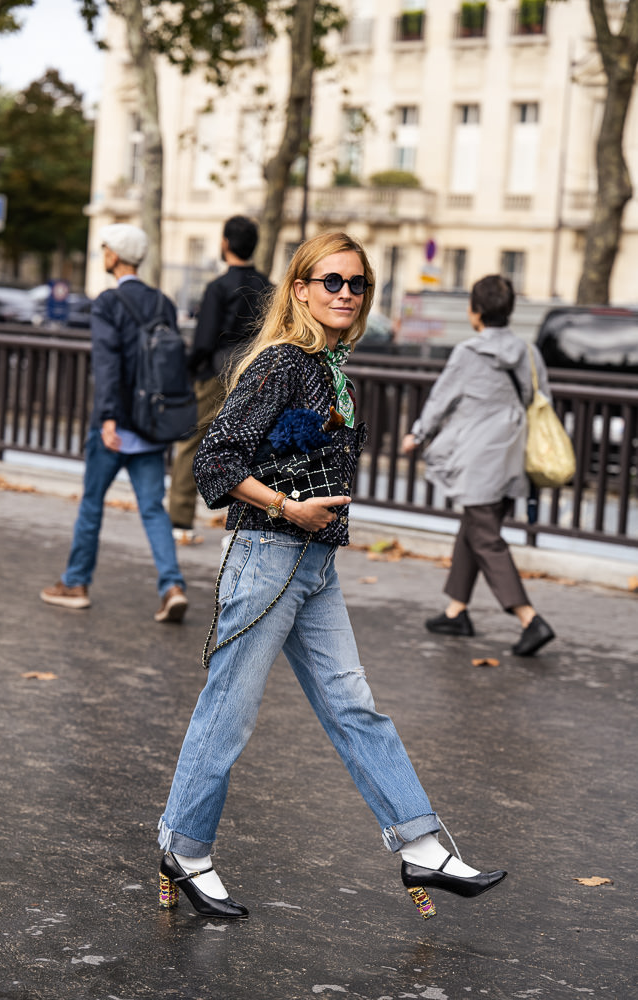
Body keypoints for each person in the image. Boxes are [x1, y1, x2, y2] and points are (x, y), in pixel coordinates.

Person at [155, 232, 507, 921]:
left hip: (314, 566)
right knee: (228, 711)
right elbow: (215, 464)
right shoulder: (283, 364)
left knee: (355, 708)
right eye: (332, 281)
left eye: (358, 284)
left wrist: (309, 521)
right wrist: (290, 507)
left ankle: (421, 846)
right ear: (300, 288)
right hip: (267, 558)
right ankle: (185, 848)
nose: (346, 293)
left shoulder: (332, 367)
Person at [41, 223, 188, 624]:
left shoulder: (108, 302)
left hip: (116, 425)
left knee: (91, 505)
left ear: (114, 255)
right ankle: (171, 586)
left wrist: (107, 417)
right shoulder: (163, 303)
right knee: (153, 509)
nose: (102, 252)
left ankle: (75, 584)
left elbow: (106, 363)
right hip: (153, 425)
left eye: (104, 247)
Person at [401, 274, 555, 657]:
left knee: (485, 536)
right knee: (475, 527)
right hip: (513, 455)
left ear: (474, 312)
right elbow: (542, 399)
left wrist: (418, 434)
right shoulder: (529, 352)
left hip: (478, 457)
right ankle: (456, 612)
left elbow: (441, 400)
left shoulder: (468, 353)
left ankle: (529, 618)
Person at [167, 215, 272, 542]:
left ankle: (181, 523)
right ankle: (242, 528)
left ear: (225, 243)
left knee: (191, 444)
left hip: (215, 373)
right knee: (249, 450)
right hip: (255, 374)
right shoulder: (269, 287)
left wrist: (190, 369)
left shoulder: (218, 287)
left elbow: (204, 340)